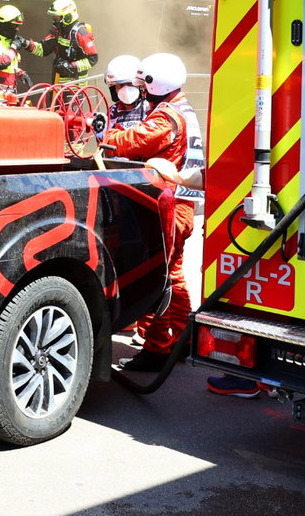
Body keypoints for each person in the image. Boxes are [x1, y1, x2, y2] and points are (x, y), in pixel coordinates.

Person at [101, 52, 212, 376]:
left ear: (154, 83)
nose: (141, 91)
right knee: (173, 276)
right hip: (182, 205)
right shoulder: (182, 108)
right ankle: (181, 340)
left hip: (168, 208)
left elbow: (135, 141)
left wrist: (102, 137)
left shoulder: (166, 117)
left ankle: (156, 349)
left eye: (144, 84)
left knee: (155, 276)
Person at [0, 4, 41, 92]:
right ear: (4, 25)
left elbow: (11, 67)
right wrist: (14, 47)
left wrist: (20, 73)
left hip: (10, 92)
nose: (17, 29)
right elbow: (1, 63)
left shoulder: (9, 41)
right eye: (14, 26)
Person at [39, 0, 98, 84]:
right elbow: (43, 49)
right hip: (58, 83)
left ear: (68, 17)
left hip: (76, 87)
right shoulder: (59, 32)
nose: (54, 21)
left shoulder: (81, 34)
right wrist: (26, 44)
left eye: (57, 18)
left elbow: (93, 59)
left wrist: (71, 66)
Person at [101, 53, 148, 143]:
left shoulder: (149, 108)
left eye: (130, 84)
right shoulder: (112, 112)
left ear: (140, 85)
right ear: (113, 88)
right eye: (120, 85)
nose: (126, 89)